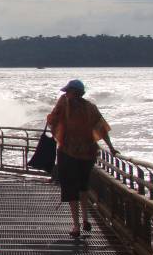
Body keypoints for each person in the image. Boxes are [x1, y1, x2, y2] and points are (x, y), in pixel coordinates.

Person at [47, 79, 118, 238]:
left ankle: (76, 225)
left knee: (72, 188)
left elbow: (52, 121)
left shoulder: (64, 106)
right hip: (88, 154)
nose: (65, 94)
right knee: (83, 187)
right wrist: (111, 148)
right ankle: (84, 219)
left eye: (67, 91)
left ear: (73, 92)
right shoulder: (90, 108)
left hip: (68, 153)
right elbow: (102, 129)